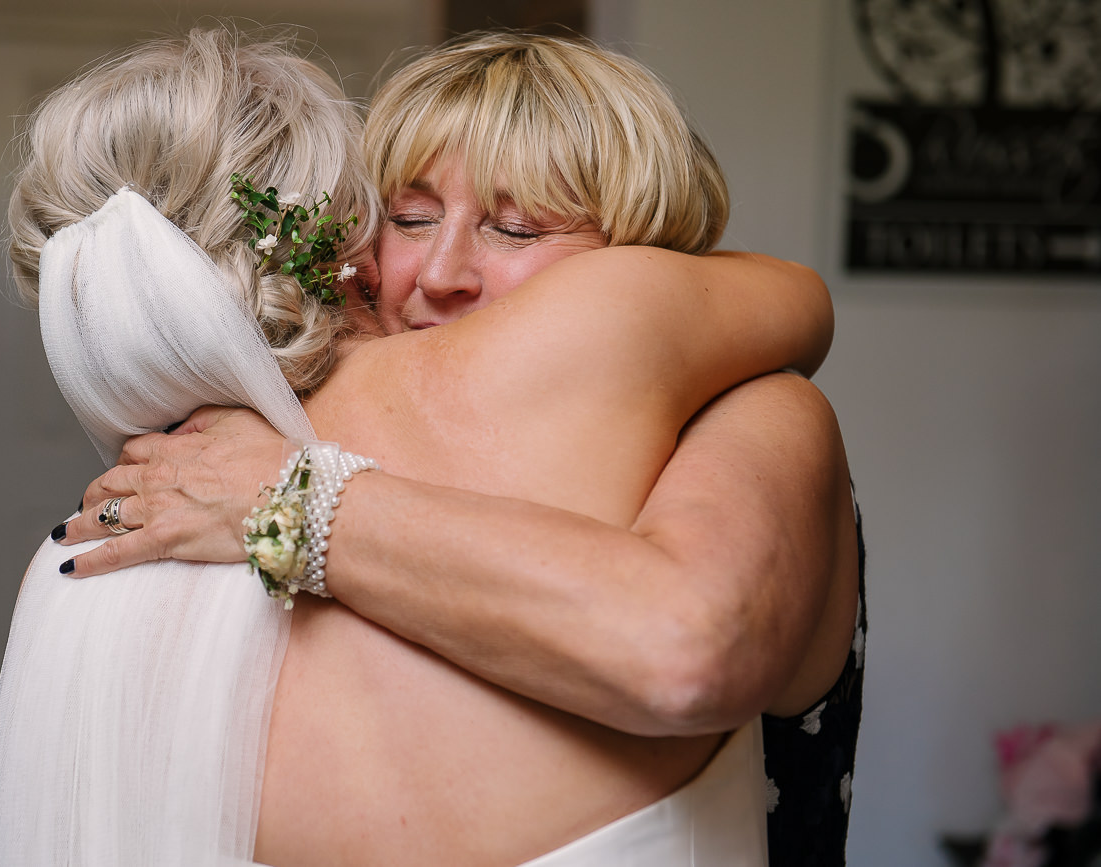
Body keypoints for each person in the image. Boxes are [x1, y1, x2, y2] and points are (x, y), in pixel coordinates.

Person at [56, 31, 864, 867]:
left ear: (650, 274)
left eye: (516, 228)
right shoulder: (255, 443)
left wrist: (287, 498)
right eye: (409, 218)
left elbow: (690, 651)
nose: (439, 272)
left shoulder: (763, 414)